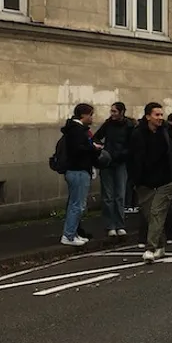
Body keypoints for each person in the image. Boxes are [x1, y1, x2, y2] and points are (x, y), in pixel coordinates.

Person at [129, 102, 172, 262]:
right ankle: (160, 246)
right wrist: (135, 180)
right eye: (156, 115)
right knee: (150, 215)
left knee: (157, 212)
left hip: (165, 180)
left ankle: (150, 248)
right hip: (144, 181)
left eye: (161, 115)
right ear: (148, 116)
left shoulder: (166, 131)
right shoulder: (137, 134)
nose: (160, 118)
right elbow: (133, 158)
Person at [59, 103, 102, 247]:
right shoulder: (78, 131)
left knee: (75, 203)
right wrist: (93, 148)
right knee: (77, 205)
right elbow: (79, 150)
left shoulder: (74, 129)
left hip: (76, 170)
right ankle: (69, 235)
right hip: (78, 170)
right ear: (83, 115)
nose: (92, 118)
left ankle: (73, 233)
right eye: (90, 115)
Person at [93, 102, 134, 237]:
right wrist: (102, 150)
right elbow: (96, 137)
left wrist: (123, 154)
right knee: (108, 196)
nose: (112, 114)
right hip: (108, 162)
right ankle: (110, 225)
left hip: (121, 162)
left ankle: (120, 224)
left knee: (119, 195)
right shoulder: (108, 124)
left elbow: (132, 144)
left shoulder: (129, 125)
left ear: (122, 112)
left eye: (115, 111)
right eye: (111, 111)